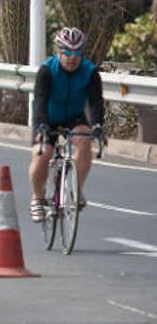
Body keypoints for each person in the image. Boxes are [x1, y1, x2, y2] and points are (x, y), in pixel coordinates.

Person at [28, 27, 106, 223]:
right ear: (58, 52)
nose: (72, 58)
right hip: (47, 117)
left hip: (74, 117)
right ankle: (37, 198)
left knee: (85, 141)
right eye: (67, 52)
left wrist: (97, 125)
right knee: (42, 153)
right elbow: (39, 100)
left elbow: (96, 101)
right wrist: (41, 126)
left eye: (77, 53)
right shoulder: (47, 70)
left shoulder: (89, 72)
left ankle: (76, 190)